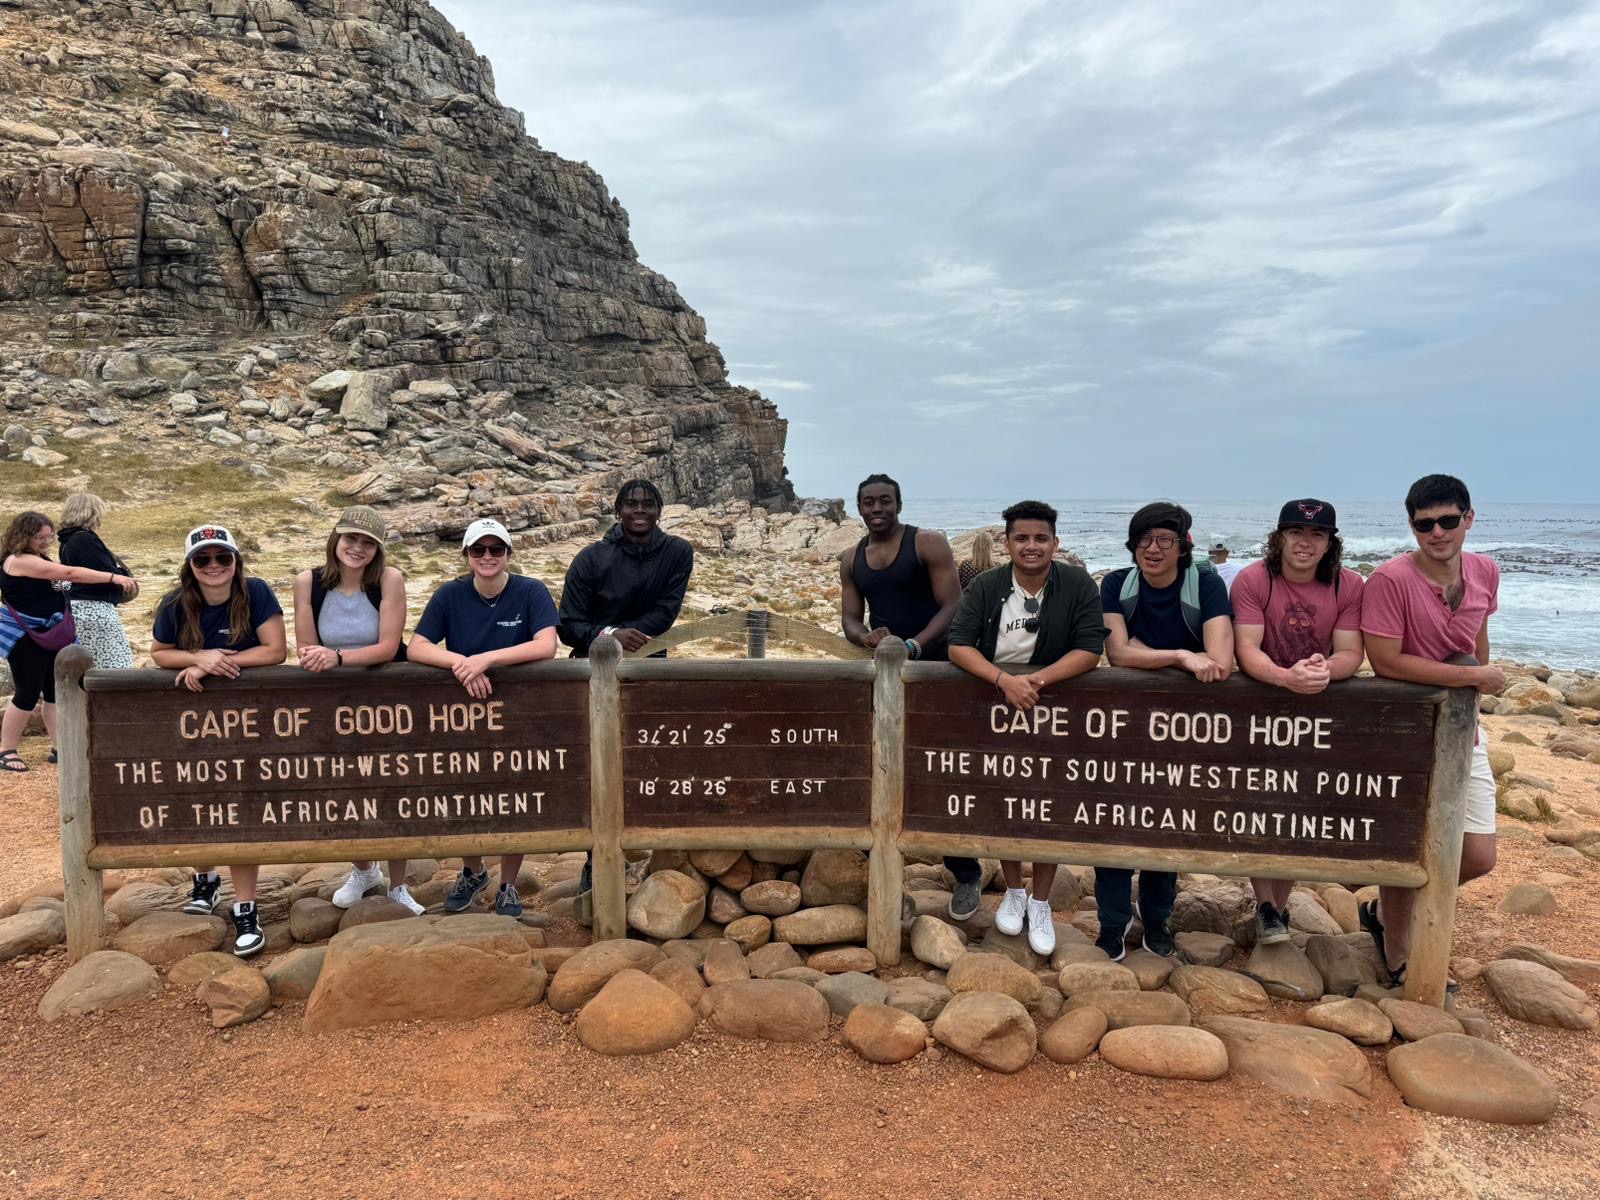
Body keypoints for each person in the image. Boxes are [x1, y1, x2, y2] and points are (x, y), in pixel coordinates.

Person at [1359, 474, 1503, 987]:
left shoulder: (1486, 570)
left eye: (1447, 520)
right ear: (1413, 527)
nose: (1437, 532)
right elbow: (1386, 662)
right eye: (1425, 524)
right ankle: (1398, 954)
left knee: (1479, 855)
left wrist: (1475, 680)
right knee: (1410, 852)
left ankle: (1382, 909)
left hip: (1465, 730)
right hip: (1409, 733)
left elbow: (1478, 637)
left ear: (1468, 517)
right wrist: (1471, 676)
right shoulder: (1390, 580)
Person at [947, 500, 1105, 955]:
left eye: (1040, 538)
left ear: (1055, 543)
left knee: (1050, 804)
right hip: (999, 706)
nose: (1031, 546)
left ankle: (1040, 902)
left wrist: (1033, 682)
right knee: (1007, 797)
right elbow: (959, 644)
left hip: (1053, 705)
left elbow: (1090, 648)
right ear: (1007, 543)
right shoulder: (987, 585)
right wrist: (1002, 681)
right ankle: (1014, 891)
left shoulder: (1075, 583)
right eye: (1022, 538)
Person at [1099, 501, 1234, 960]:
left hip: (1183, 726)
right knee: (1114, 821)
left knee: (1167, 820)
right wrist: (1180, 656)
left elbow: (1220, 662)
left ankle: (1157, 920)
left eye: (1164, 540)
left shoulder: (1207, 584)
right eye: (1144, 539)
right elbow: (1117, 654)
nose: (1153, 549)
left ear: (1182, 547)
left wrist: (1145, 649)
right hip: (1124, 724)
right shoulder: (1116, 584)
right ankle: (1112, 923)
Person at [839, 474, 977, 917]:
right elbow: (850, 619)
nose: (876, 508)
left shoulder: (928, 544)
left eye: (884, 501)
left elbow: (953, 604)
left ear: (899, 503)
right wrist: (867, 638)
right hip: (887, 674)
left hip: (939, 673)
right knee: (879, 768)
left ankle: (967, 874)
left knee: (942, 773)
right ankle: (885, 875)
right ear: (858, 507)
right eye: (868, 502)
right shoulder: (850, 558)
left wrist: (915, 645)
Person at [409, 518, 559, 918]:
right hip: (466, 711)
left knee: (516, 793)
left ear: (508, 553)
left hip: (519, 710)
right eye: (479, 550)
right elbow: (417, 646)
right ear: (467, 555)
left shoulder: (531, 591)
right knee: (461, 789)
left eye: (496, 549)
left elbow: (547, 644)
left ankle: (509, 883)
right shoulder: (450, 594)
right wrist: (462, 664)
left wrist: (487, 660)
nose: (488, 557)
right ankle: (473, 871)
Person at [1231, 499, 1364, 944]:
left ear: (1330, 543)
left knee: (1294, 805)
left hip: (1313, 707)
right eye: (1296, 533)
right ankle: (1265, 903)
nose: (1305, 543)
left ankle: (1278, 906)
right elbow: (1246, 648)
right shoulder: (1254, 580)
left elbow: (1350, 652)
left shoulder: (1348, 585)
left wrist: (1323, 670)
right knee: (1256, 804)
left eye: (1317, 535)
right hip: (1262, 703)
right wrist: (1284, 678)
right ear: (1280, 537)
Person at [151, 524, 286, 957]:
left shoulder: (257, 591)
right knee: (198, 796)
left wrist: (213, 664)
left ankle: (245, 906)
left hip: (247, 718)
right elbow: (159, 652)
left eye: (222, 558)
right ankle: (205, 880)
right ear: (190, 566)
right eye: (203, 559)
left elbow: (275, 650)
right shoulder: (175, 602)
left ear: (235, 562)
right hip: (195, 719)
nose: (213, 566)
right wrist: (196, 657)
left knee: (242, 803)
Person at [292, 505, 419, 914]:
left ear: (378, 548)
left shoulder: (388, 580)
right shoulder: (308, 583)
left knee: (396, 784)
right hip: (335, 701)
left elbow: (388, 645)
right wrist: (327, 659)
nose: (357, 548)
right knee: (347, 784)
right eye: (351, 538)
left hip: (386, 697)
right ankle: (364, 870)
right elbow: (309, 649)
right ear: (336, 538)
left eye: (368, 542)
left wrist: (338, 658)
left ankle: (399, 885)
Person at [2, 511, 137, 773]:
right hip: (26, 636)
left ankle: (60, 746)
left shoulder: (39, 557)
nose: (45, 541)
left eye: (48, 536)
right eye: (39, 537)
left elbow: (61, 581)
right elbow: (69, 572)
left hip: (49, 632)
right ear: (24, 536)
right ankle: (6, 750)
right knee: (27, 693)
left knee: (55, 693)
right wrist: (113, 577)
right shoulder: (19, 560)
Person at [557, 479, 694, 658]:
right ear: (619, 512)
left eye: (648, 504)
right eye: (630, 504)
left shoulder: (677, 552)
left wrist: (620, 633)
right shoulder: (590, 558)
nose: (639, 509)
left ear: (659, 511)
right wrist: (610, 635)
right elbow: (568, 626)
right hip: (594, 660)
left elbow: (664, 614)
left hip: (648, 656)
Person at [57, 493, 138, 670]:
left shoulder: (67, 541)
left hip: (78, 608)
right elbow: (102, 572)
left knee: (91, 665)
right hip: (95, 610)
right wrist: (120, 574)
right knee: (115, 666)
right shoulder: (84, 539)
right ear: (93, 513)